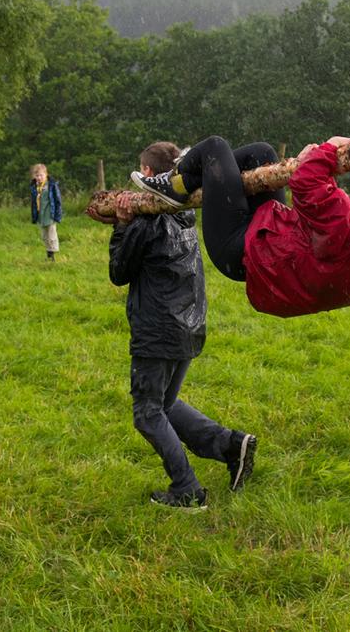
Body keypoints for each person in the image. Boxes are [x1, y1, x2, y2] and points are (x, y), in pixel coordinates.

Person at [97, 141, 257, 511]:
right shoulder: (185, 213)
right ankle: (231, 446)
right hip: (190, 325)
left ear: (149, 175)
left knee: (147, 412)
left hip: (158, 330)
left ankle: (187, 490)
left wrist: (122, 225)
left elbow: (118, 272)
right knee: (165, 403)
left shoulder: (147, 220)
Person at [131, 135, 350, 317]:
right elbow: (325, 222)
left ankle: (174, 182)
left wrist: (328, 149)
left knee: (215, 147)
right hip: (268, 242)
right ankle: (181, 183)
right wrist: (310, 161)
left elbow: (308, 184)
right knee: (261, 154)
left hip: (240, 250)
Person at [29, 164, 62, 261]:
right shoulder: (34, 187)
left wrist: (57, 214)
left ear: (46, 175)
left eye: (41, 175)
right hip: (41, 215)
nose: (39, 178)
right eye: (37, 176)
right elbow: (34, 203)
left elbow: (57, 200)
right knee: (44, 236)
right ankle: (48, 253)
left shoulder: (51, 186)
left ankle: (52, 256)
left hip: (50, 214)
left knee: (51, 235)